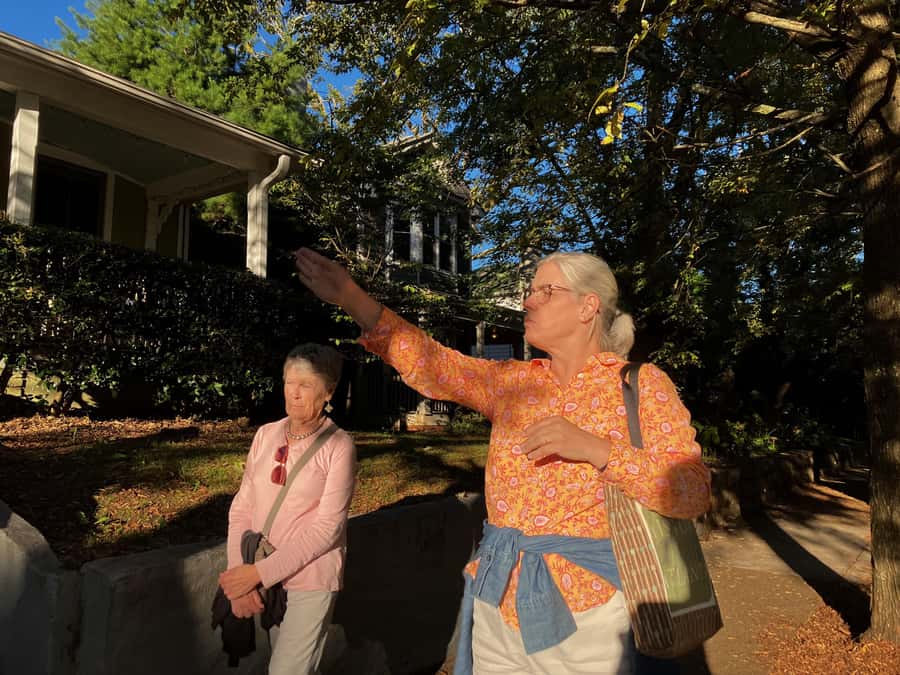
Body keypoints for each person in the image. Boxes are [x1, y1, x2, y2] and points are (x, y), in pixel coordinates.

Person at [294, 247, 711, 675]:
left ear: (589, 306)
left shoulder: (640, 386)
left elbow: (692, 490)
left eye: (546, 291)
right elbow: (435, 365)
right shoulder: (514, 381)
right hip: (498, 602)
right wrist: (351, 297)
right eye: (531, 291)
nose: (529, 300)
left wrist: (596, 449)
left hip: (590, 614)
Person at [218, 343, 356, 675]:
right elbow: (242, 508)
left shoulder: (340, 446)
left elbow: (328, 529)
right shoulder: (266, 435)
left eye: (306, 385)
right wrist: (241, 575)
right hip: (264, 573)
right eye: (288, 381)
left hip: (310, 577)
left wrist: (257, 575)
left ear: (328, 391)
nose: (293, 393)